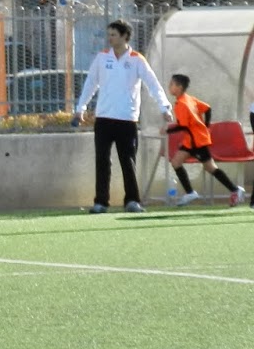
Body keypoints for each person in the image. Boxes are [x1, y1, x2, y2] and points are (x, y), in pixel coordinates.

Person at [74, 19, 172, 214]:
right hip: (104, 118)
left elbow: (152, 84)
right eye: (109, 34)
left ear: (125, 36)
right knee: (102, 160)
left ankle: (132, 201)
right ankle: (101, 202)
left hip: (127, 118)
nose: (110, 38)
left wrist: (164, 106)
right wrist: (80, 107)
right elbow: (91, 83)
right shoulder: (102, 58)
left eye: (114, 34)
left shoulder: (136, 59)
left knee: (128, 161)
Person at [165, 74, 242, 206]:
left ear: (179, 87)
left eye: (172, 84)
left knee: (210, 167)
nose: (169, 86)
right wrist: (206, 125)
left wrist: (168, 130)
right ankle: (190, 193)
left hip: (196, 141)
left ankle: (235, 189)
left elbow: (184, 126)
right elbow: (207, 108)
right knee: (176, 162)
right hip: (192, 140)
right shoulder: (188, 99)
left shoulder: (182, 104)